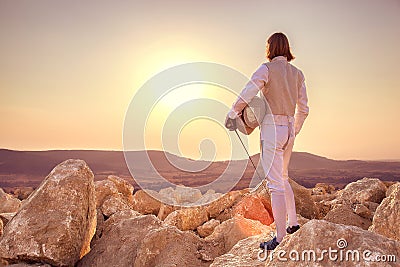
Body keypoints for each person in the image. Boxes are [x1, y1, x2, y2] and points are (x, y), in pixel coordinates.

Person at [225, 32, 309, 250]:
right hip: (289, 129)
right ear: (287, 48)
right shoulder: (298, 74)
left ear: (270, 48)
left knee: (275, 185)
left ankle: (280, 238)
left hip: (272, 128)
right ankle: (293, 224)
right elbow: (305, 109)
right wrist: (294, 130)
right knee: (283, 177)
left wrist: (233, 113)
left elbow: (248, 91)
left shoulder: (266, 69)